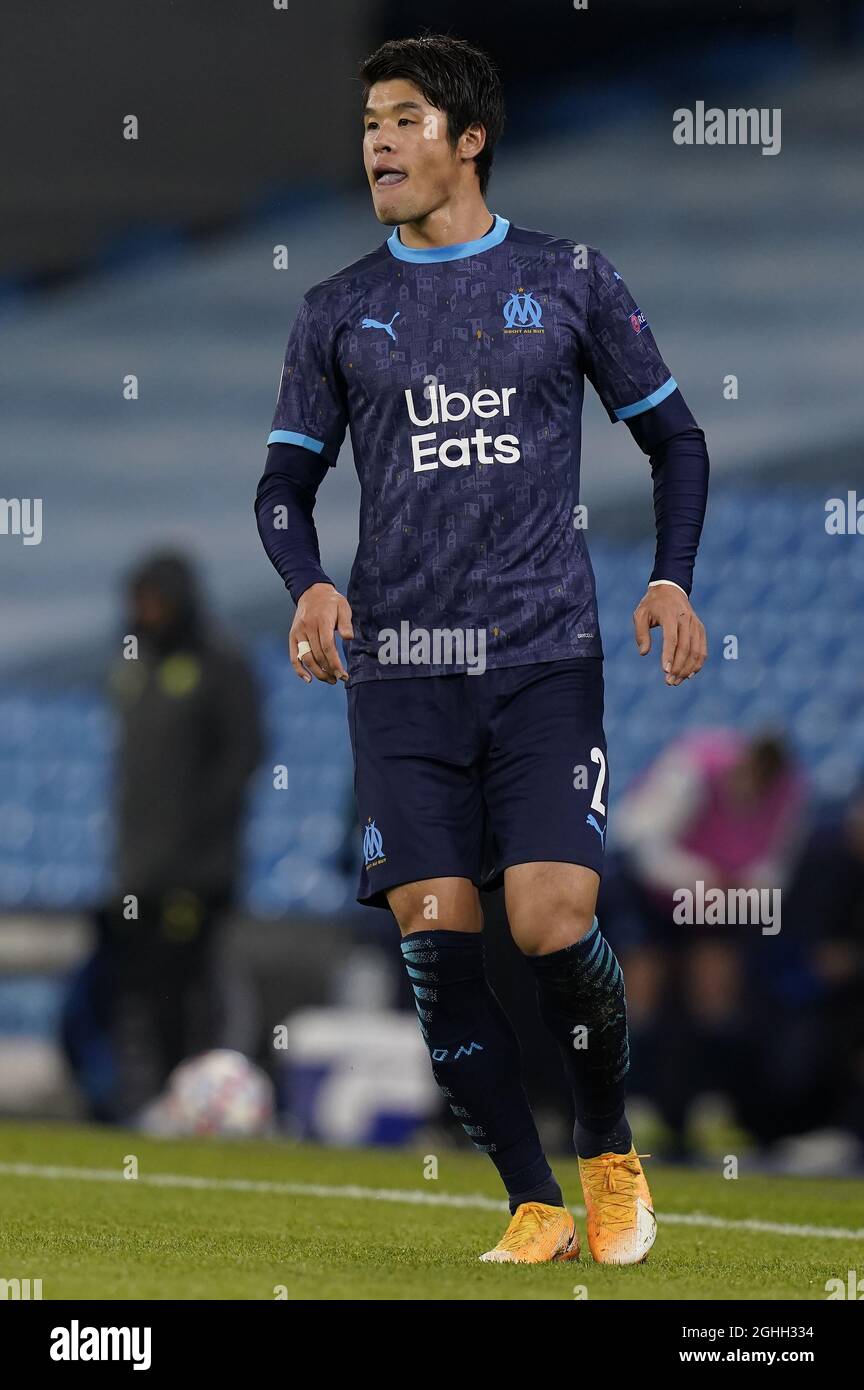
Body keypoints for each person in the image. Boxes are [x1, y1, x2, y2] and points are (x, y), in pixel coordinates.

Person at [255, 34, 709, 1264]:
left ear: (469, 140)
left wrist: (670, 577)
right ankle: (531, 1197)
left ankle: (610, 1151)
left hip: (543, 656)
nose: (379, 147)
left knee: (552, 919)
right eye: (367, 128)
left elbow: (676, 440)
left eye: (404, 121)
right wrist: (305, 587)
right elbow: (283, 489)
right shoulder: (338, 311)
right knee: (437, 931)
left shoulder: (569, 278)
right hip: (400, 673)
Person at [106, 551, 262, 1115]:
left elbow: (243, 757)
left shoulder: (220, 663)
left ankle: (200, 1102)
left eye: (155, 600)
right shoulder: (133, 661)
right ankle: (152, 1099)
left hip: (197, 869)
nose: (145, 612)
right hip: (138, 868)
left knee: (193, 987)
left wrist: (200, 842)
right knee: (143, 990)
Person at [601, 730, 805, 1154]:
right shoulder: (695, 768)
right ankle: (630, 1107)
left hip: (716, 902)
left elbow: (776, 869)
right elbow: (639, 838)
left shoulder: (788, 794)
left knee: (717, 995)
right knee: (641, 994)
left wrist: (737, 887)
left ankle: (711, 1111)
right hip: (651, 893)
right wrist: (702, 879)